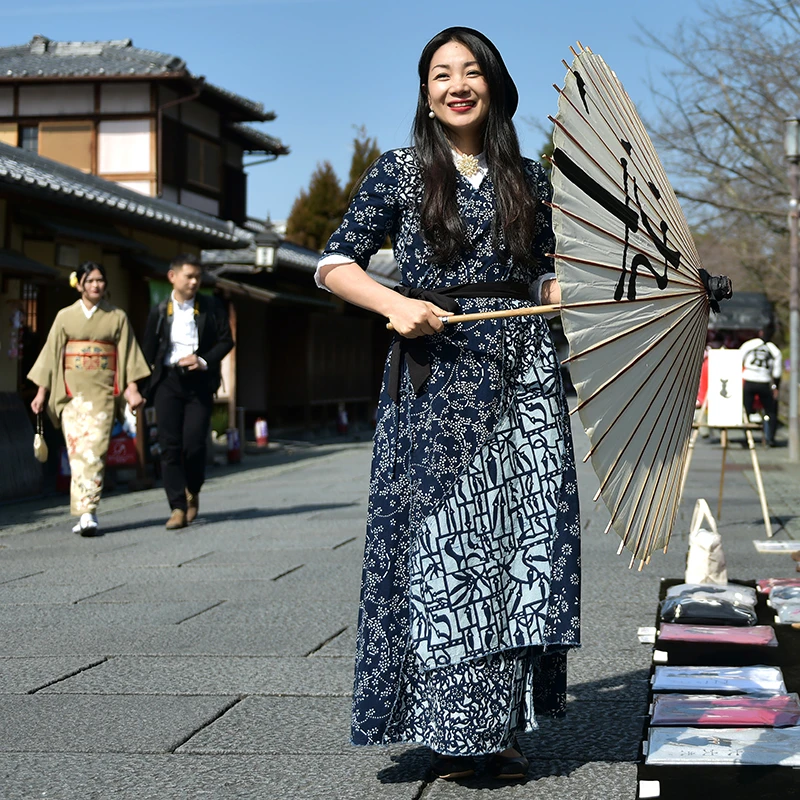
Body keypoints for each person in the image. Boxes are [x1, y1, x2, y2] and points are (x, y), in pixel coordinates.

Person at [315, 27, 580, 781]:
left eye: (471, 72)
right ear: (426, 93)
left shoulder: (531, 180)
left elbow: (544, 278)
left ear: (493, 85)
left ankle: (499, 723)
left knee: (520, 549)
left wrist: (566, 292)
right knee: (446, 551)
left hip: (524, 377)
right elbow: (334, 261)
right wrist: (393, 305)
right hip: (438, 380)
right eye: (441, 74)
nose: (456, 84)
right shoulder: (398, 172)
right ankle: (456, 729)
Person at [28, 261, 149, 535]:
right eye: (91, 280)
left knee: (95, 451)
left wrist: (131, 388)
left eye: (100, 280)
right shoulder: (65, 316)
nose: (96, 285)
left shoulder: (116, 317)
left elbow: (128, 354)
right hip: (72, 395)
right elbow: (51, 355)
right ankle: (85, 511)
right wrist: (41, 392)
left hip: (103, 394)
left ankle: (89, 511)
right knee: (77, 453)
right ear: (80, 283)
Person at [140, 254, 233, 529]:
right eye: (189, 276)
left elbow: (226, 341)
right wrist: (139, 387)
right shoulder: (159, 311)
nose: (194, 282)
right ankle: (177, 507)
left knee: (194, 445)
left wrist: (203, 359)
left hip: (199, 381)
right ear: (173, 277)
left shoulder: (211, 306)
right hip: (168, 381)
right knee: (169, 446)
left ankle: (193, 490)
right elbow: (147, 351)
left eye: (197, 277)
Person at [740, 327, 782, 446]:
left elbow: (739, 359)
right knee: (770, 411)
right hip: (764, 381)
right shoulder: (774, 350)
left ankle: (747, 437)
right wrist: (776, 387)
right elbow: (777, 372)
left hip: (749, 380)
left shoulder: (749, 345)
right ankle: (770, 438)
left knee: (746, 410)